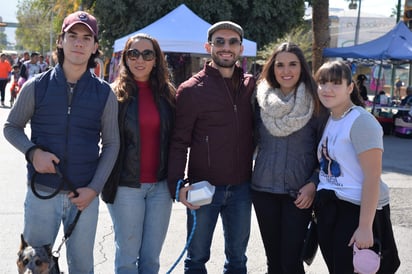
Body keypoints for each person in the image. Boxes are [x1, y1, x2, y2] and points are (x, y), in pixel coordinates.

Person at [3, 11, 120, 273]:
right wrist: (33, 153)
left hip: (84, 197)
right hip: (42, 194)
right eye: (73, 36)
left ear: (95, 46)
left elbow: (112, 144)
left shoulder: (105, 94)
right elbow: (11, 127)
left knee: (81, 267)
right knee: (34, 269)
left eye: (86, 38)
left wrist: (94, 188)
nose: (79, 43)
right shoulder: (36, 86)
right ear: (61, 41)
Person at [167, 21, 256, 273]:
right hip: (203, 189)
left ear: (241, 48)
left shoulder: (253, 86)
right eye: (219, 42)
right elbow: (178, 142)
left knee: (238, 260)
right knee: (196, 260)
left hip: (241, 189)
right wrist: (178, 186)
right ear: (208, 47)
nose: (225, 47)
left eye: (232, 42)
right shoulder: (191, 90)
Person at [314, 60, 400, 274]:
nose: (327, 89)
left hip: (356, 211)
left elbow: (372, 177)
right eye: (322, 82)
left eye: (335, 83)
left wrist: (364, 226)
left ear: (350, 87)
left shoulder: (361, 121)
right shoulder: (329, 118)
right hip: (331, 208)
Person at [101, 33, 176, 274]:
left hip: (161, 188)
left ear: (157, 59)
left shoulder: (169, 94)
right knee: (127, 258)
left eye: (147, 54)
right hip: (126, 186)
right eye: (133, 54)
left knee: (151, 259)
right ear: (125, 58)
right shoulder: (113, 94)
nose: (139, 59)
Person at [251, 42, 328, 273]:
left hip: (299, 194)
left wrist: (314, 183)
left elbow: (327, 151)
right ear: (272, 68)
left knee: (291, 261)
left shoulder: (316, 102)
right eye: (280, 65)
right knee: (273, 261)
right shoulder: (258, 100)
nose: (286, 71)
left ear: (302, 67)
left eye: (292, 64)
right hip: (263, 190)